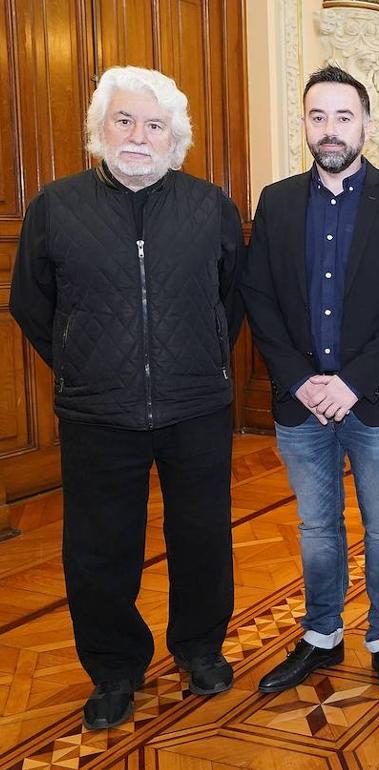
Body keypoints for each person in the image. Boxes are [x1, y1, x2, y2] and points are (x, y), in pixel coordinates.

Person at [10, 66, 242, 729]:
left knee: (201, 537)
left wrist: (191, 360)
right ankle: (114, 669)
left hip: (195, 405)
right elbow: (33, 308)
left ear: (176, 138)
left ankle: (200, 649)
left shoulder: (210, 206)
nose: (138, 137)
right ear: (100, 129)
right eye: (124, 121)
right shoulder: (56, 206)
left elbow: (229, 299)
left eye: (154, 125)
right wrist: (88, 367)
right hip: (97, 413)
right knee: (99, 548)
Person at [242, 65, 379, 700]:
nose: (330, 130)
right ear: (304, 123)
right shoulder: (274, 201)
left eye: (343, 117)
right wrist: (300, 380)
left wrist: (351, 383)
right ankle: (321, 636)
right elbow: (259, 298)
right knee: (317, 529)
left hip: (375, 401)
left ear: (366, 126)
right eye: (317, 116)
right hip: (301, 405)